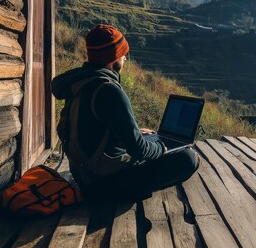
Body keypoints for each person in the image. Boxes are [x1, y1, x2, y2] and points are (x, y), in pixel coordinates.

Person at [51, 24, 199, 202]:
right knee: (189, 158)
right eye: (123, 54)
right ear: (113, 57)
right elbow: (139, 150)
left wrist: (134, 132)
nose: (125, 59)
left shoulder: (81, 82)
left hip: (82, 173)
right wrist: (161, 147)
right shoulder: (109, 90)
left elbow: (93, 128)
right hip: (102, 184)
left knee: (149, 140)